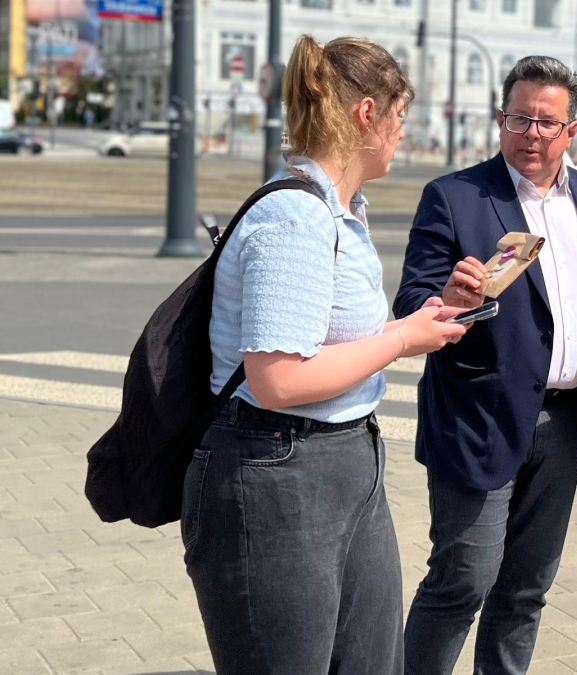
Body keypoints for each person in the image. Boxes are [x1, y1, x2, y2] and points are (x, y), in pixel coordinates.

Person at [181, 35, 467, 675]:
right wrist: (401, 340)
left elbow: (333, 340)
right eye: (400, 115)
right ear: (368, 114)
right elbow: (279, 380)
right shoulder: (295, 217)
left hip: (345, 458)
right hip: (274, 468)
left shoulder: (342, 212)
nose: (403, 132)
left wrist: (418, 321)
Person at [394, 56, 577, 675]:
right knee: (463, 580)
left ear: (572, 130)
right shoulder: (456, 196)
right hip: (478, 418)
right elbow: (411, 300)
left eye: (546, 122)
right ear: (500, 119)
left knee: (526, 590)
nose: (531, 134)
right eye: (519, 119)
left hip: (565, 422)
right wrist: (447, 300)